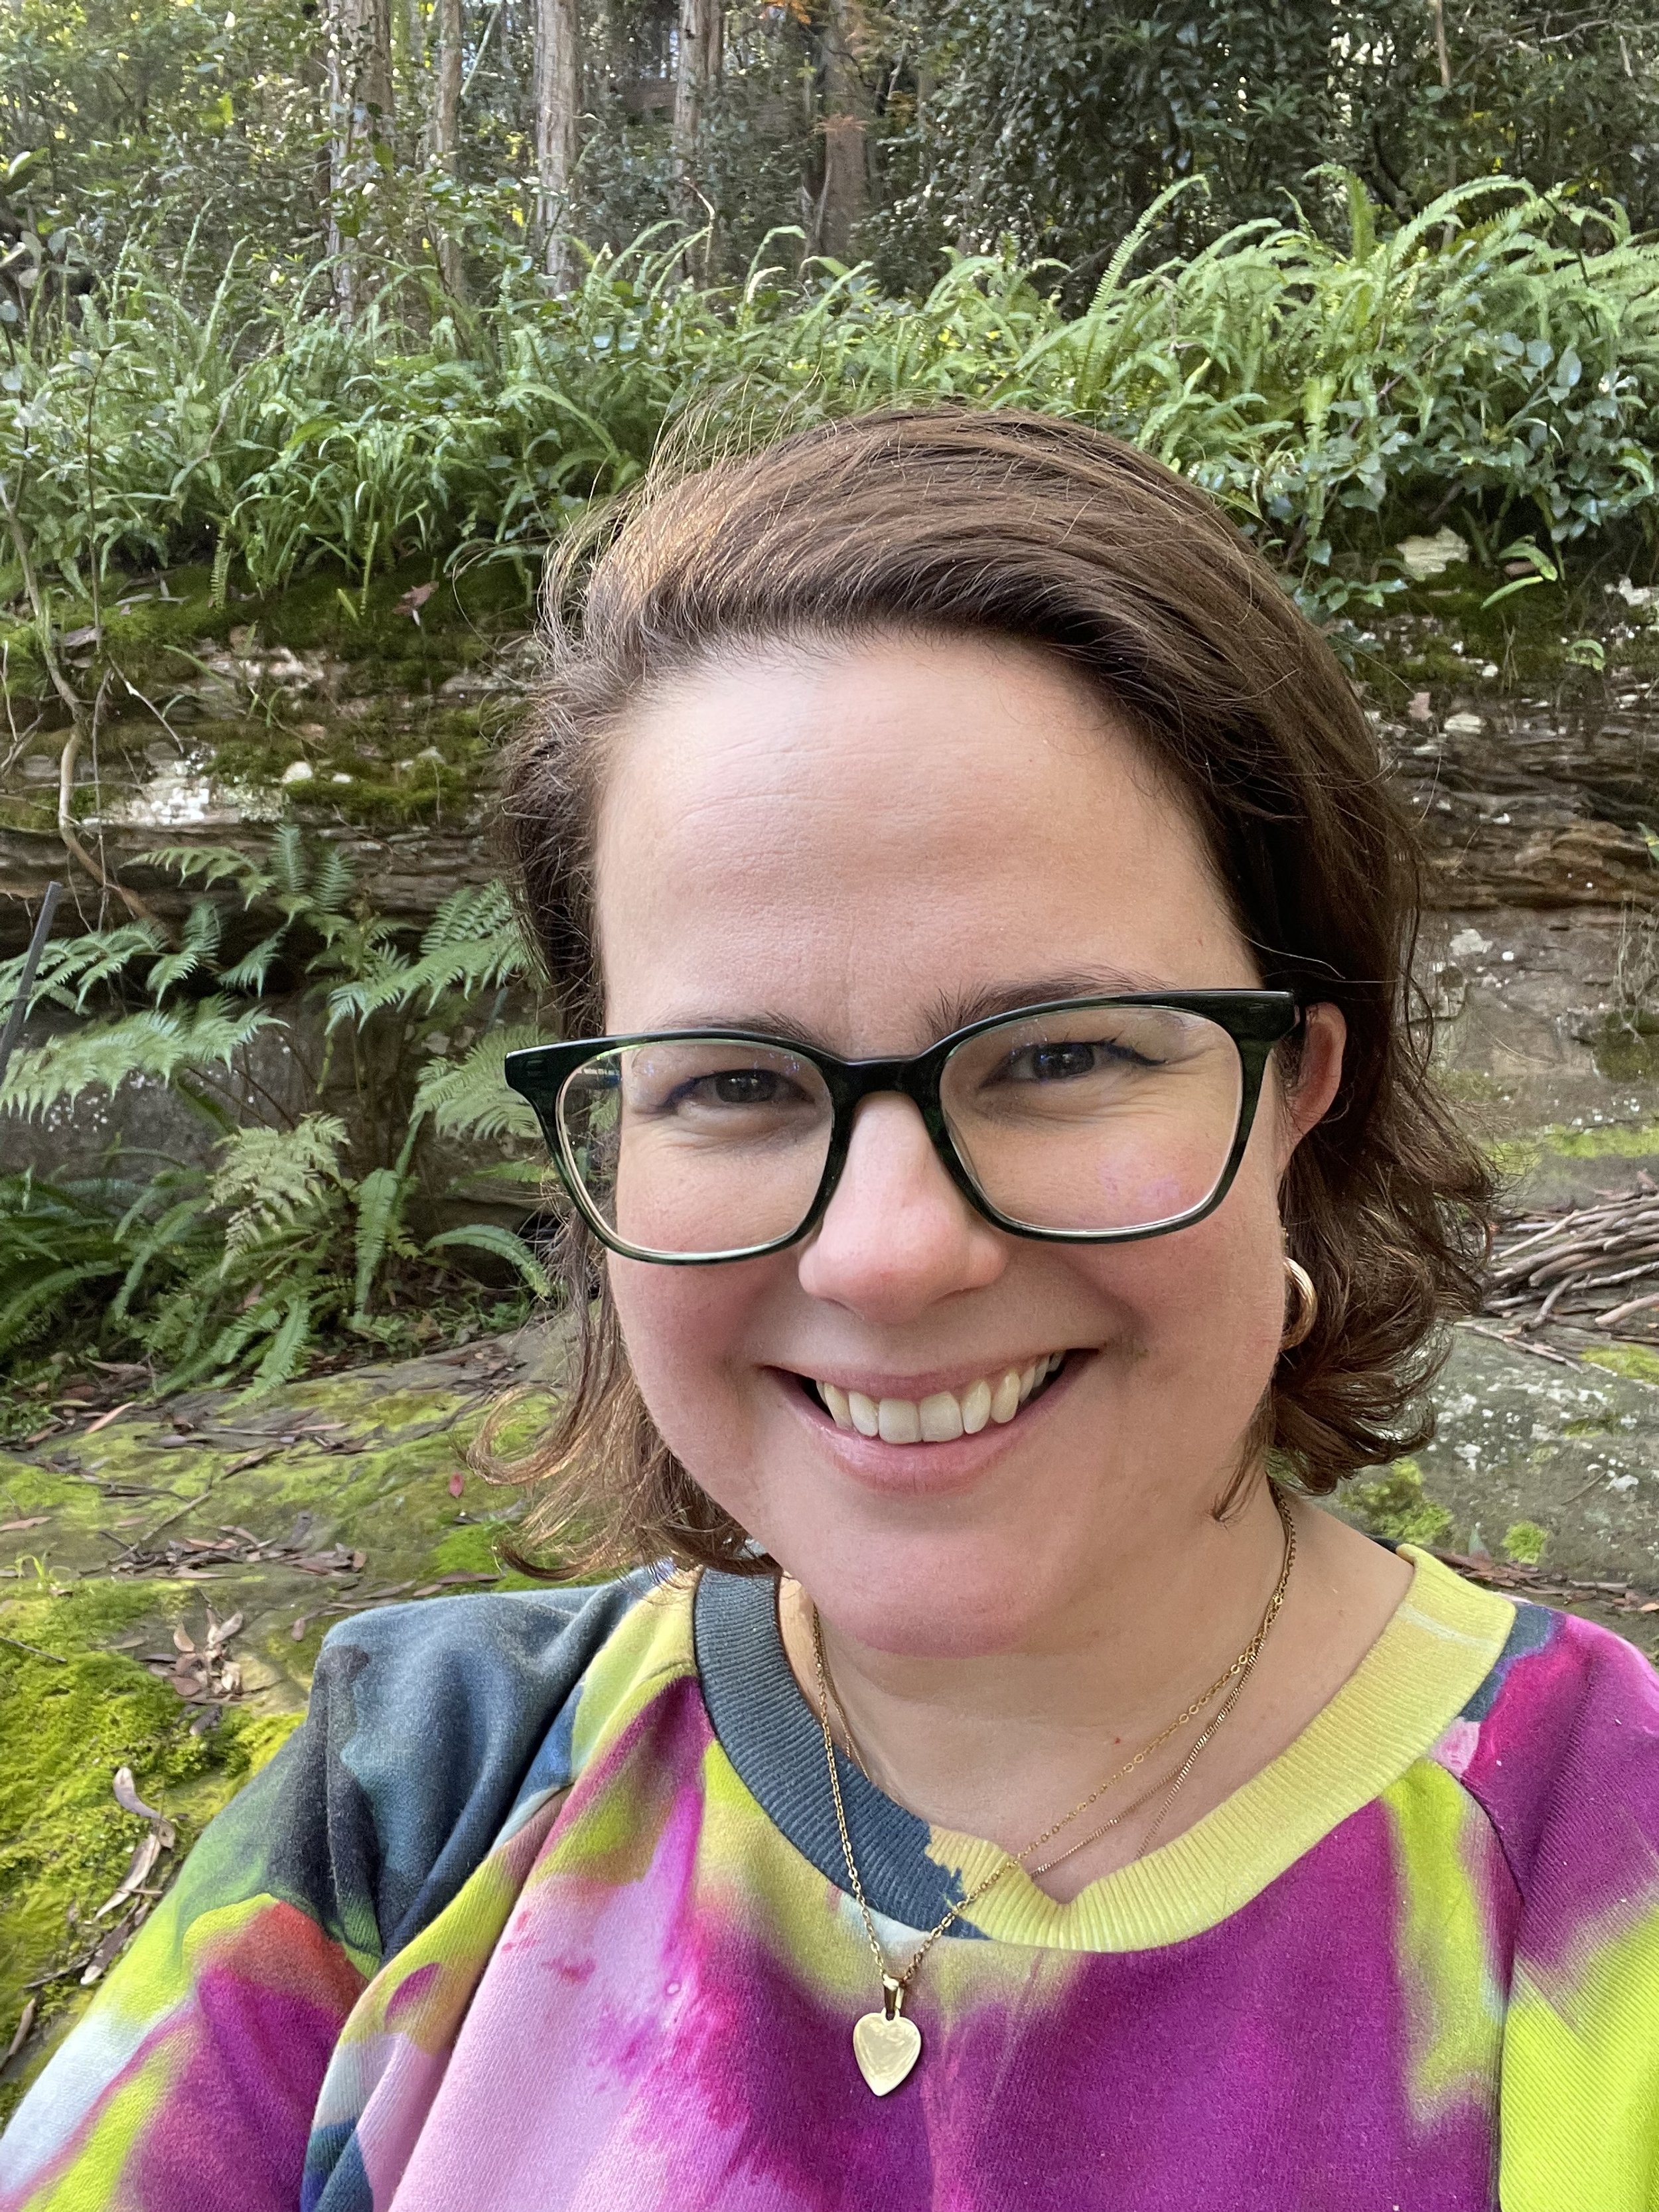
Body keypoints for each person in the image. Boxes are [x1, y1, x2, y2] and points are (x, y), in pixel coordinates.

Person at [3, 408, 1656, 2212]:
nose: (883, 1254)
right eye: (732, 1083)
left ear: (1294, 1090)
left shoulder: (1604, 1871)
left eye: (1061, 1056)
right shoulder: (416, 1804)